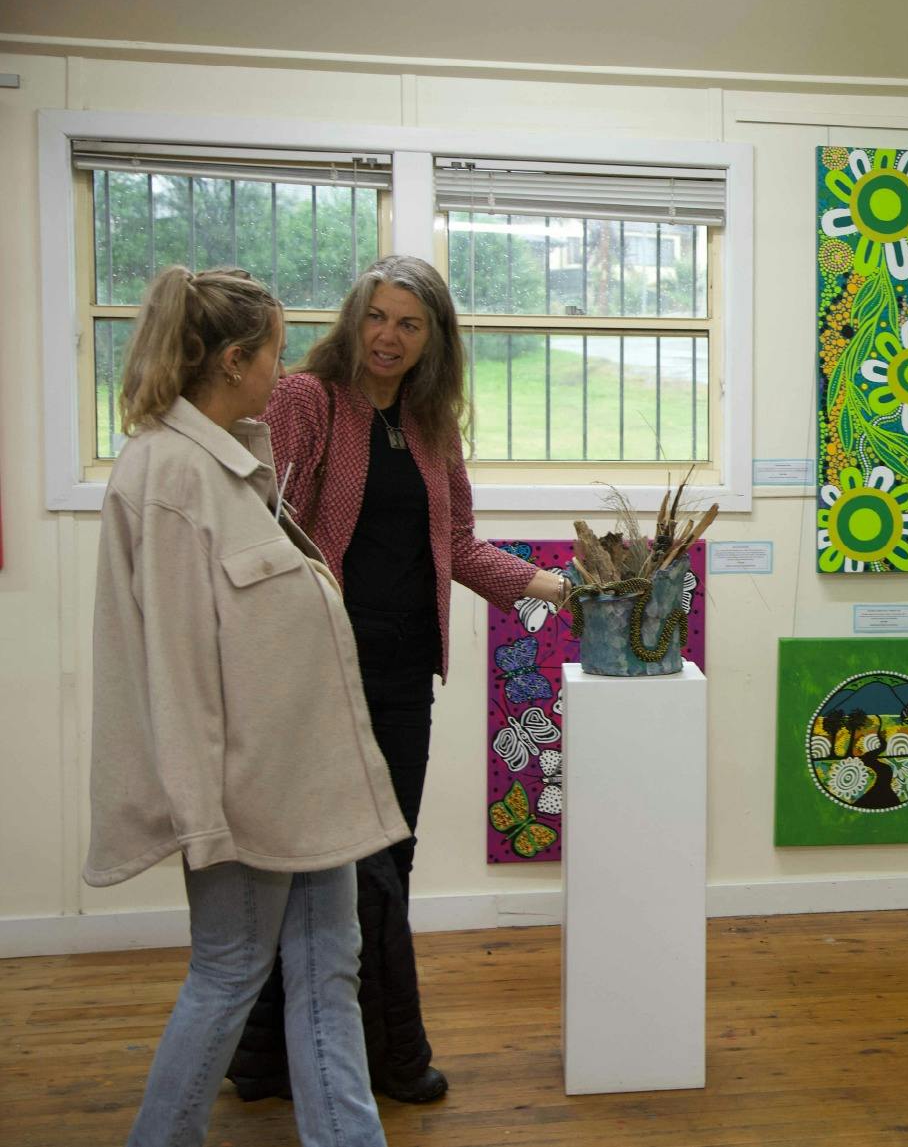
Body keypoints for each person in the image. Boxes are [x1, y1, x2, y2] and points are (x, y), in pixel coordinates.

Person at [226, 255, 568, 1105]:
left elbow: (457, 547)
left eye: (409, 324)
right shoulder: (307, 400)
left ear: (434, 339)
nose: (388, 336)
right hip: (319, 666)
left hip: (402, 670)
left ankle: (265, 1057)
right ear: (353, 318)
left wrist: (562, 589)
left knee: (386, 858)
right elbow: (259, 517)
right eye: (377, 316)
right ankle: (392, 1054)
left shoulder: (430, 424)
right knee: (350, 861)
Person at [85, 266, 408, 1147]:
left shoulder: (224, 464)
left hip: (299, 780)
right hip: (238, 792)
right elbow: (175, 669)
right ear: (233, 359)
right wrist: (201, 818)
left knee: (324, 968)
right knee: (230, 970)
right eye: (271, 350)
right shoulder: (170, 478)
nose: (282, 368)